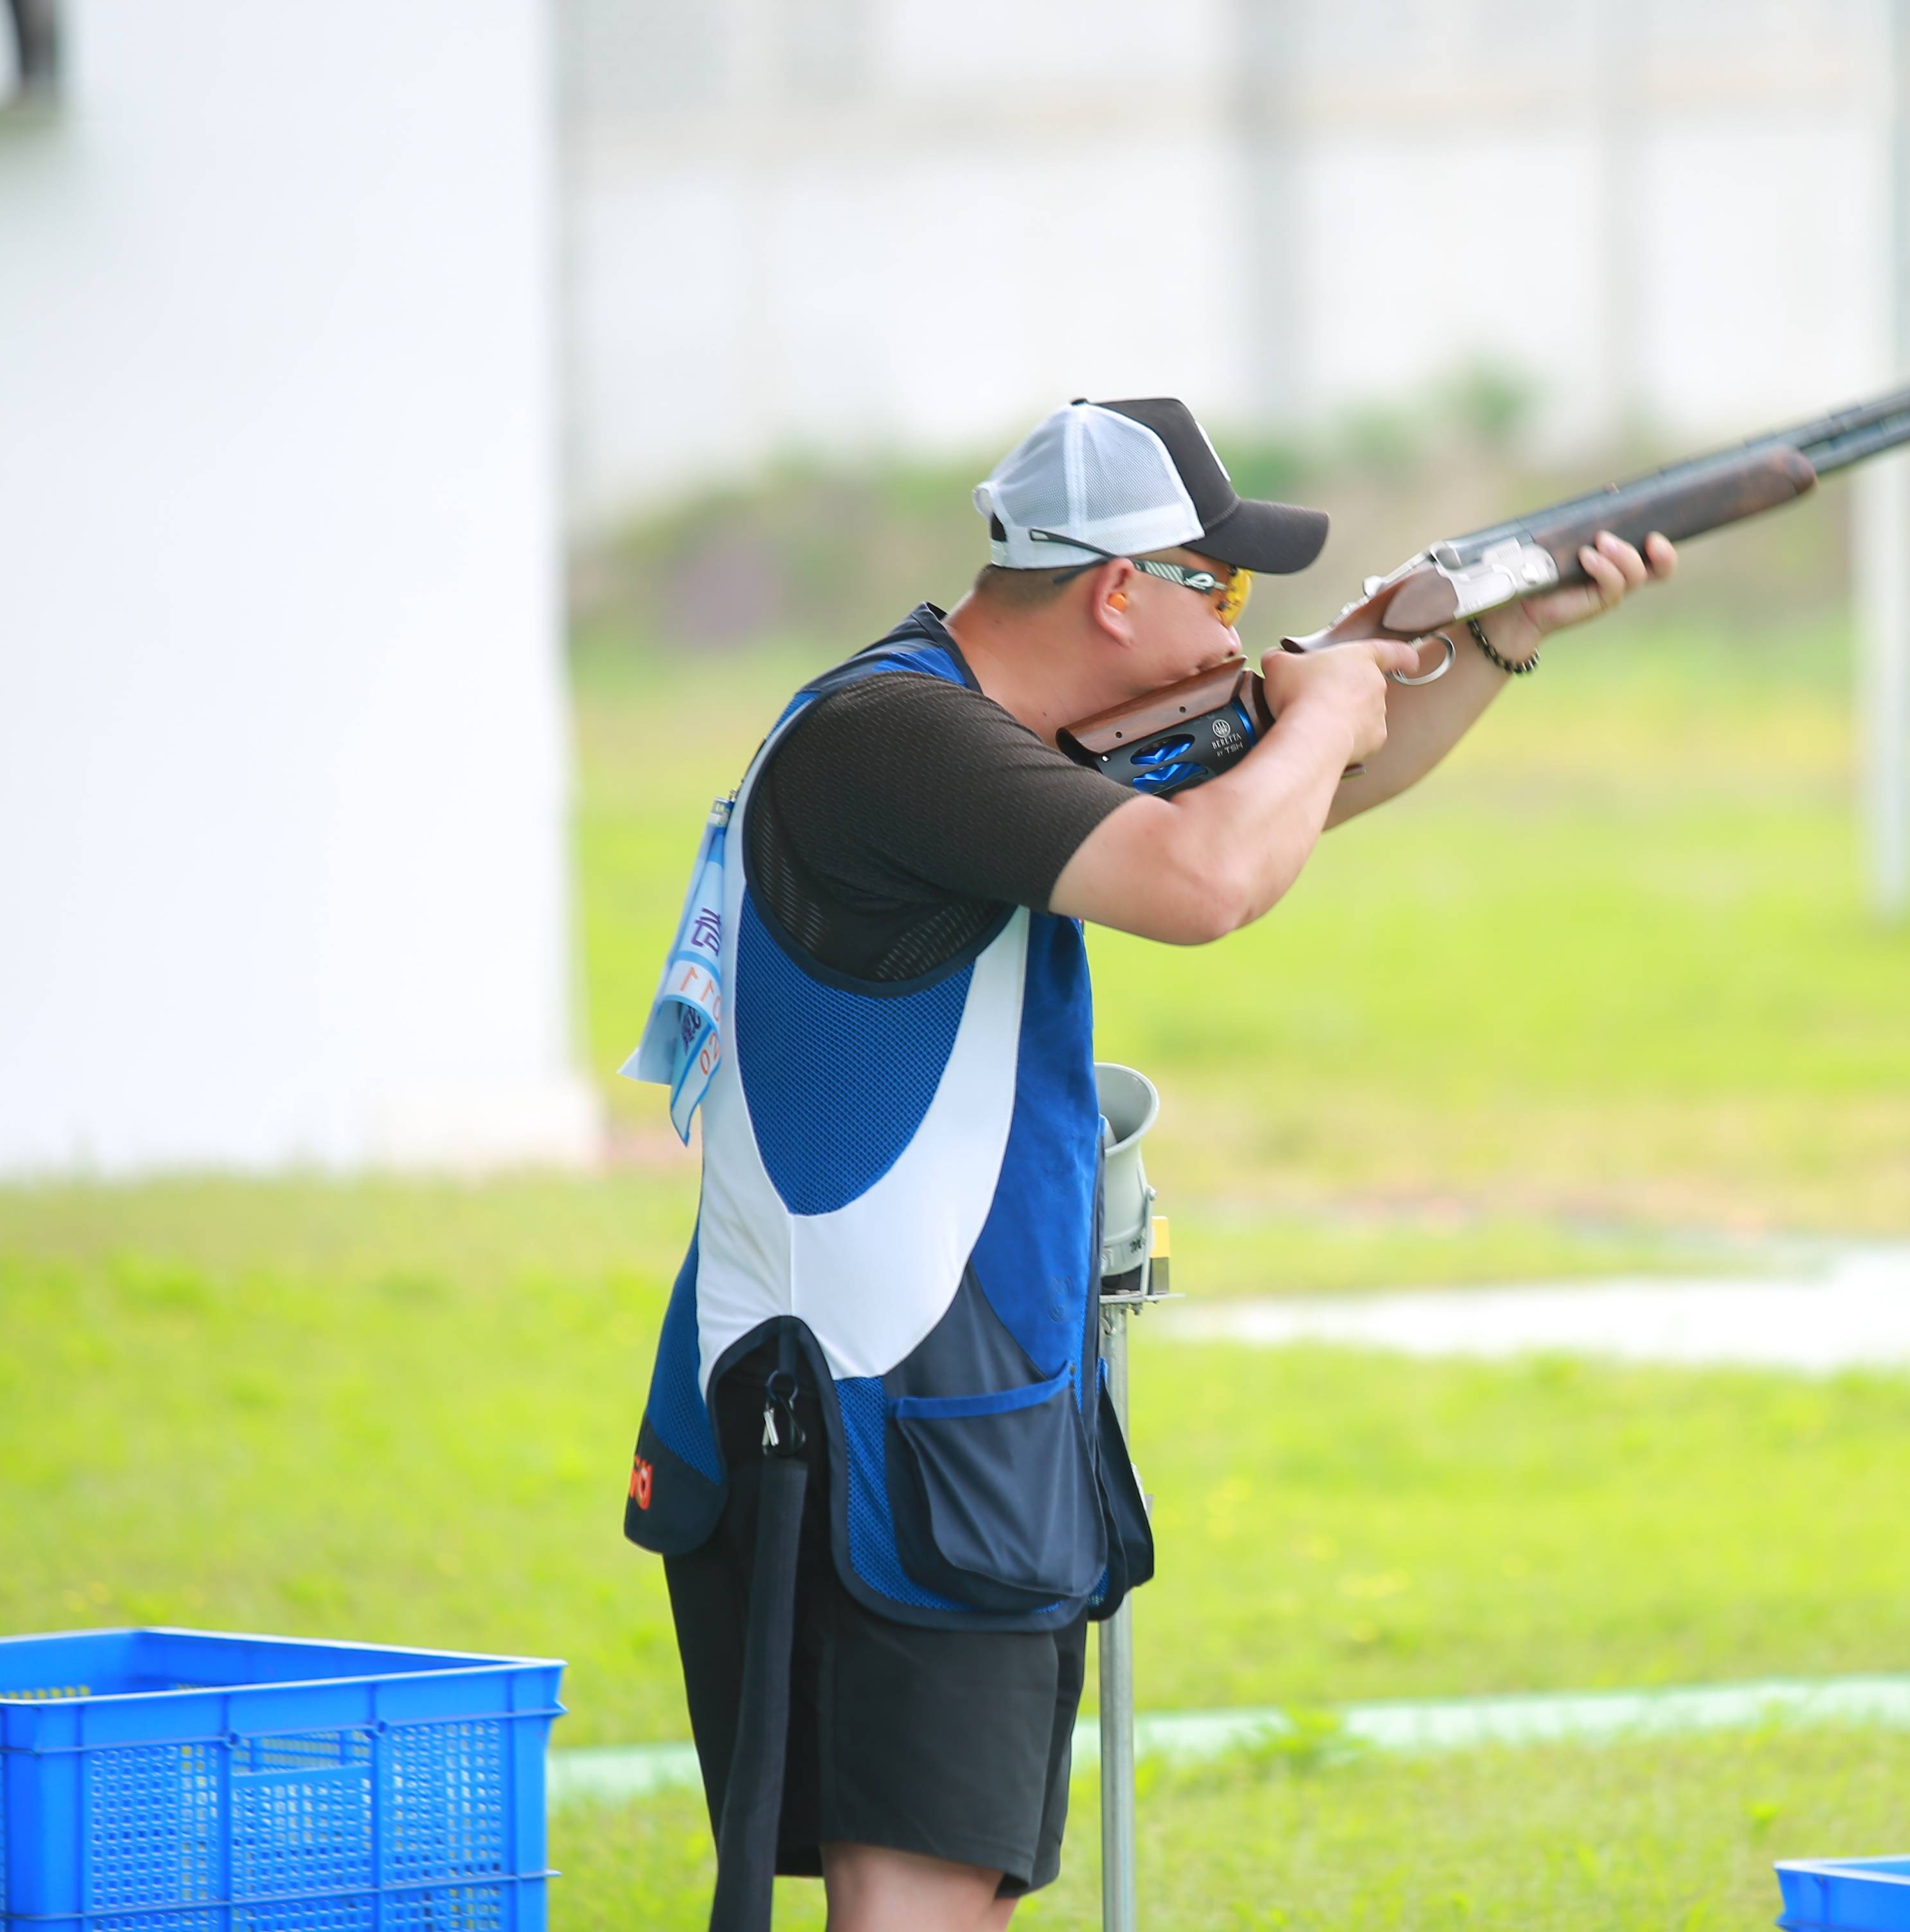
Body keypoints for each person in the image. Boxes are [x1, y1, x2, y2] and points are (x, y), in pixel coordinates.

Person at [620, 396, 1674, 1932]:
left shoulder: (955, 733)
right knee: (917, 1907)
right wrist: (1314, 709)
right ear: (1118, 590)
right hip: (881, 1426)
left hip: (876, 1415)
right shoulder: (903, 743)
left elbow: (1298, 801)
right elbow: (1207, 877)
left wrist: (1488, 644)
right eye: (1218, 591)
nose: (1233, 632)